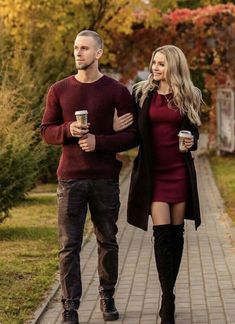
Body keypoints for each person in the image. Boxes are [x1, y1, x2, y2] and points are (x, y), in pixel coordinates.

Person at [40, 30, 137, 324]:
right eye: (75, 48)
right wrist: (68, 130)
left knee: (107, 240)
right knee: (69, 245)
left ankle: (107, 297)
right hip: (70, 180)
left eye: (84, 48)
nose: (78, 53)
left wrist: (101, 141)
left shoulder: (117, 91)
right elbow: (46, 130)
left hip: (105, 179)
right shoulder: (59, 90)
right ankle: (70, 306)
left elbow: (133, 135)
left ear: (98, 53)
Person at [125, 45, 202, 324]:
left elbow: (194, 132)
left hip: (179, 171)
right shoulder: (142, 93)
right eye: (153, 63)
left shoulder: (189, 96)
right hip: (153, 174)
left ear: (173, 66)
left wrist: (192, 141)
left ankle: (168, 293)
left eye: (160, 64)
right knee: (161, 235)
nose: (154, 68)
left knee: (176, 235)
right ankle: (167, 298)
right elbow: (133, 130)